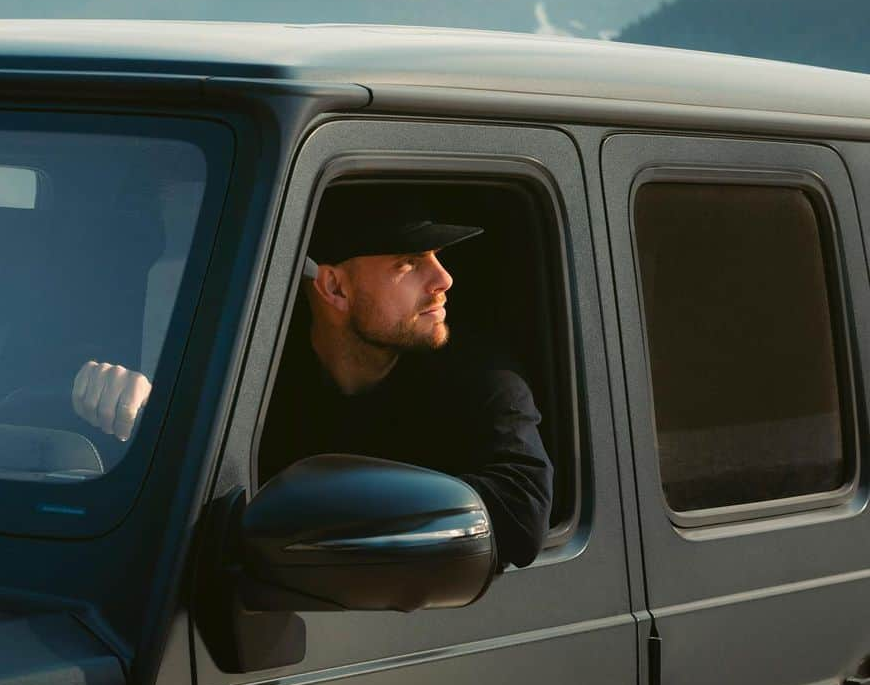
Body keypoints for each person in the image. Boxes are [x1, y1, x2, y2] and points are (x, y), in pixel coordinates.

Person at [71, 186, 554, 571]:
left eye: (434, 255)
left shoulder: (479, 372)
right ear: (334, 287)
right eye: (409, 262)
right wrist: (151, 420)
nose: (443, 279)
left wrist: (316, 516)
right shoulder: (255, 364)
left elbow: (522, 513)